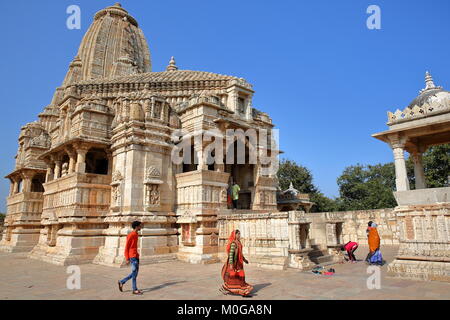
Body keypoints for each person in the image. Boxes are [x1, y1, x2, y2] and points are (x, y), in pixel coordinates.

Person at [220, 230, 253, 297]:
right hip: (235, 263)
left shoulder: (239, 243)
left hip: (239, 263)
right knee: (233, 278)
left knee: (240, 277)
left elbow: (240, 253)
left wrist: (244, 260)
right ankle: (226, 287)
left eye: (239, 234)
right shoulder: (233, 243)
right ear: (234, 235)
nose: (239, 235)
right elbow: (231, 254)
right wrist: (231, 264)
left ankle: (242, 291)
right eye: (238, 234)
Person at [118, 221, 143, 295]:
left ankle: (122, 281)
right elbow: (127, 247)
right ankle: (134, 289)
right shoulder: (131, 235)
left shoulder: (136, 234)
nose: (141, 227)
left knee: (135, 273)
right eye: (140, 226)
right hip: (132, 256)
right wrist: (127, 258)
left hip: (136, 255)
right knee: (134, 274)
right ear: (136, 227)